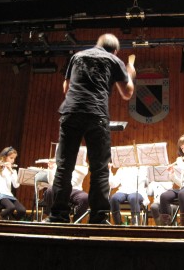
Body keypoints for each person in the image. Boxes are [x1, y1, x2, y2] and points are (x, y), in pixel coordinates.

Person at [48, 33, 136, 224]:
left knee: (64, 166)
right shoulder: (114, 60)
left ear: (98, 44)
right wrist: (130, 74)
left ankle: (58, 216)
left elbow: (66, 88)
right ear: (114, 50)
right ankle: (98, 218)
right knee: (100, 169)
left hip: (70, 113)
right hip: (96, 115)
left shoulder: (77, 56)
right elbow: (127, 93)